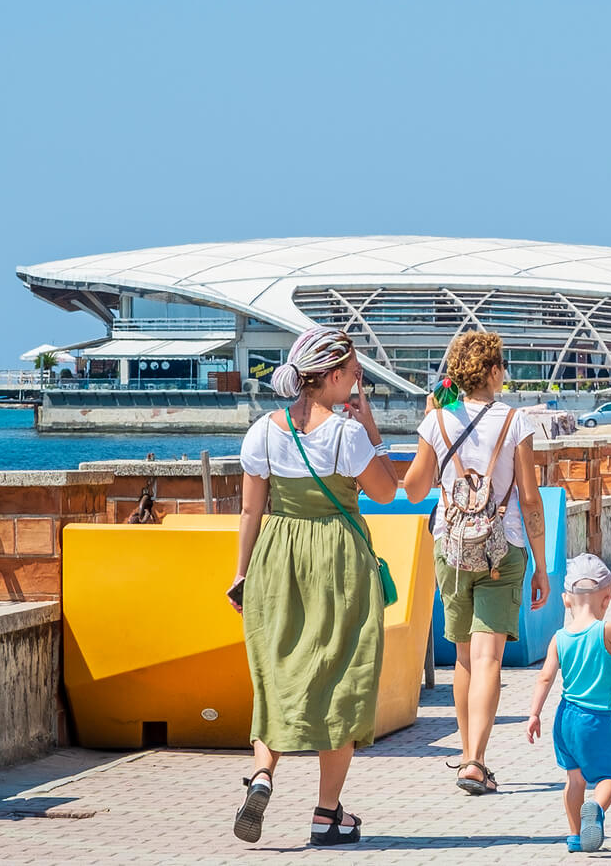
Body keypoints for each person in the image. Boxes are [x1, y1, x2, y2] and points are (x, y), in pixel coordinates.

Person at [229, 329, 398, 847]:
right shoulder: (347, 434)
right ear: (329, 376)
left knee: (276, 674)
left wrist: (240, 574)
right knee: (342, 681)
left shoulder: (263, 431)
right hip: (338, 560)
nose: (357, 382)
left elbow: (251, 510)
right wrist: (370, 427)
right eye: (351, 374)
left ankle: (262, 776)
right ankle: (326, 815)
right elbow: (388, 493)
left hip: (276, 558)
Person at [402, 330, 551, 796]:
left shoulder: (437, 422)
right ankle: (476, 761)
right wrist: (541, 566)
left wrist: (430, 425)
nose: (504, 372)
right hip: (502, 548)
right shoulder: (516, 421)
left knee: (464, 658)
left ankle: (468, 755)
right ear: (491, 371)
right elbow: (530, 498)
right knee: (489, 658)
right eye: (502, 364)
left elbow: (411, 489)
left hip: (451, 546)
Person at [525, 553, 611, 853]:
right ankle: (595, 808)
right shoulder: (607, 630)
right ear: (607, 599)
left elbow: (544, 678)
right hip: (597, 720)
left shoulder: (559, 637)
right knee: (607, 777)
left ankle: (574, 837)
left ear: (566, 599)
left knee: (574, 780)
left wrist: (533, 714)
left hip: (564, 717)